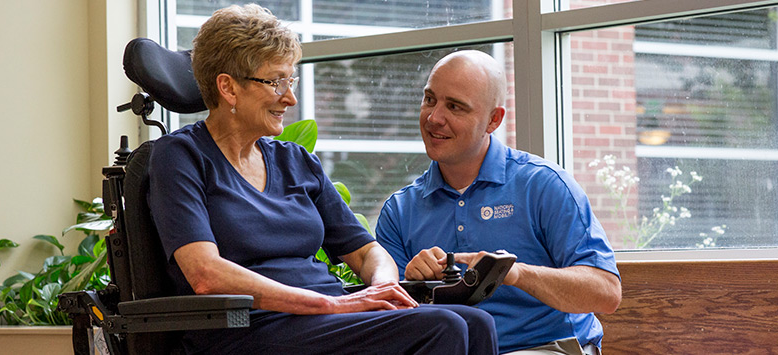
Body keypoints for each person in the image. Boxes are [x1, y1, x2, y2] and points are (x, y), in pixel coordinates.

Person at [148, 5, 497, 354]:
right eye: (275, 82)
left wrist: (383, 288)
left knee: (476, 322)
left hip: (325, 320)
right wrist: (327, 305)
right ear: (228, 87)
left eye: (290, 81)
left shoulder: (294, 160)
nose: (290, 97)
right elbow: (205, 274)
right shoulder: (180, 157)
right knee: (442, 326)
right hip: (250, 328)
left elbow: (366, 253)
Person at [375, 50, 622, 355]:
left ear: (493, 120)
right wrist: (412, 282)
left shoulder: (543, 185)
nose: (434, 117)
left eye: (455, 107)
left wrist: (515, 274)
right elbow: (387, 319)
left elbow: (606, 293)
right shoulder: (399, 210)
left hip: (545, 348)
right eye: (430, 99)